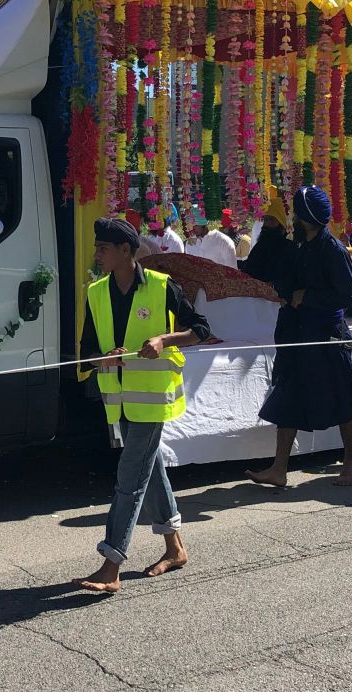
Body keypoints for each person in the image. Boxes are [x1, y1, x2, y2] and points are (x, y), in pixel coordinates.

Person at [74, 217, 209, 593]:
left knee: (130, 477)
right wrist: (105, 357)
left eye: (103, 248)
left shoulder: (163, 287)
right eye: (97, 247)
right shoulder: (96, 292)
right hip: (119, 401)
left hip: (152, 399)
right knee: (151, 472)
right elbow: (85, 354)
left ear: (126, 252)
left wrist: (164, 340)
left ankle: (111, 563)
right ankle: (175, 548)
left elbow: (199, 329)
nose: (97, 254)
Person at [246, 186, 352, 488]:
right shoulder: (300, 247)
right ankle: (279, 468)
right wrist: (285, 291)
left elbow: (348, 295)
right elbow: (289, 281)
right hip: (296, 332)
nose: (293, 219)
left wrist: (307, 296)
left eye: (297, 214)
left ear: (307, 217)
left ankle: (350, 463)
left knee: (342, 399)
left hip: (326, 335)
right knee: (288, 396)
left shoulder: (333, 250)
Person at [241, 195, 294, 287]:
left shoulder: (292, 248)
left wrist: (274, 285)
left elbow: (292, 280)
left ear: (283, 222)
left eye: (271, 220)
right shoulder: (262, 244)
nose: (265, 225)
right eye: (265, 219)